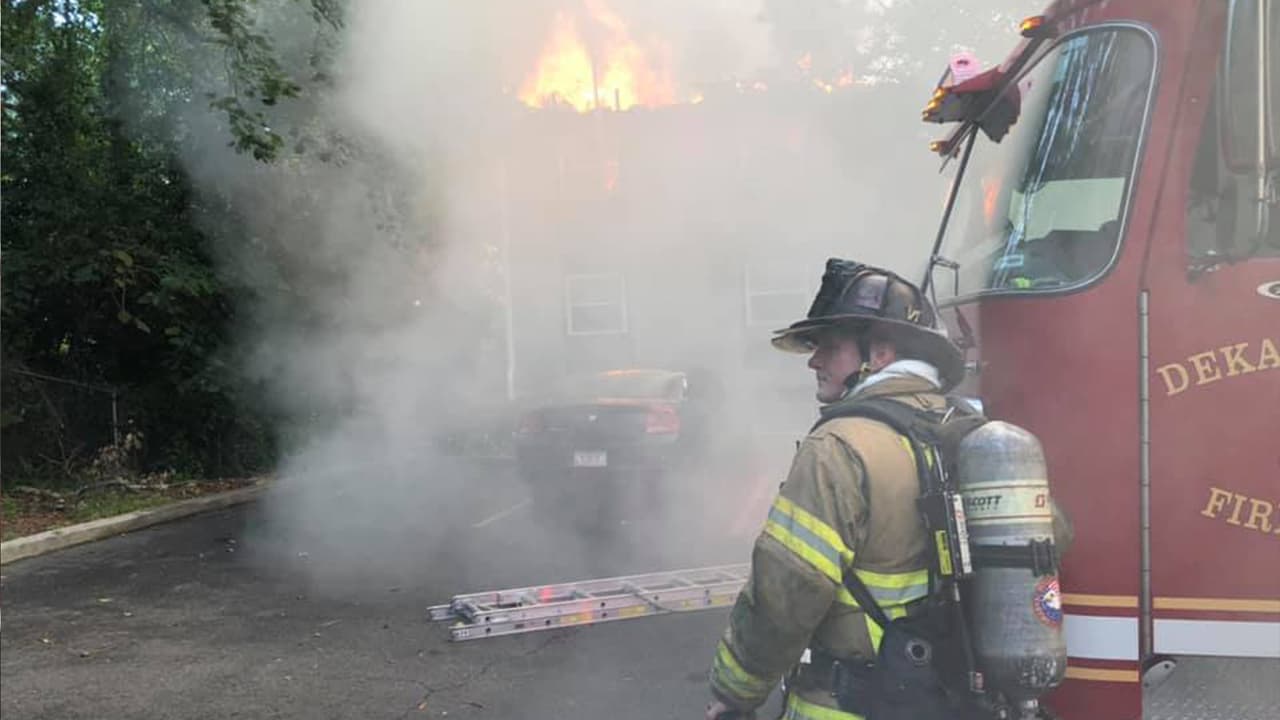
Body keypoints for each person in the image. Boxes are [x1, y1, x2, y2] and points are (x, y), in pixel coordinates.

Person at [705, 259, 968, 720]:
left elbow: (787, 592)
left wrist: (734, 692)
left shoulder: (838, 447)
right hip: (948, 700)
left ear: (879, 352)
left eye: (830, 345)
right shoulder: (968, 431)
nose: (814, 360)